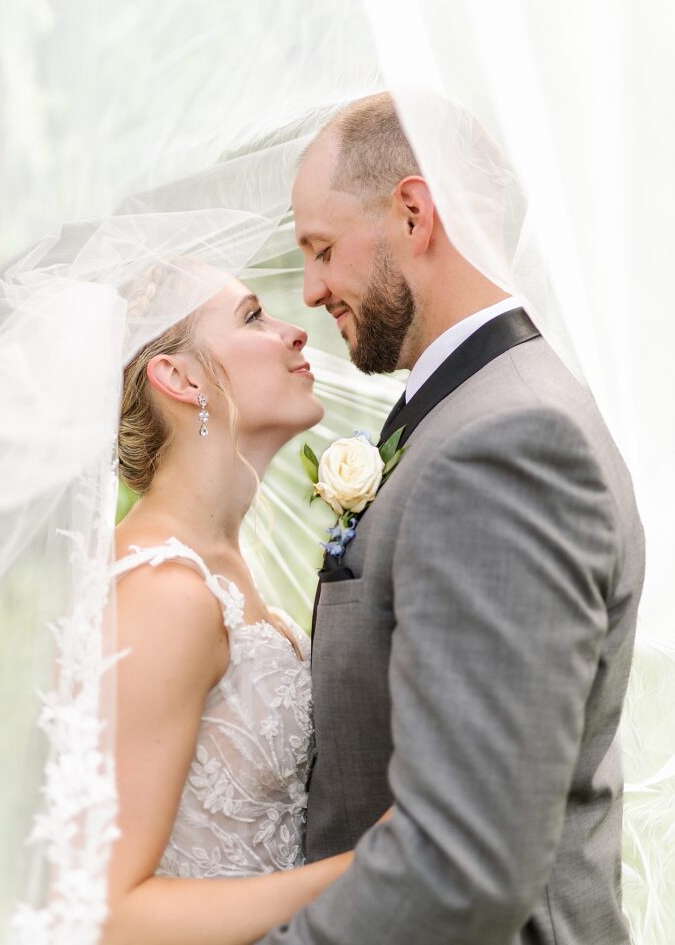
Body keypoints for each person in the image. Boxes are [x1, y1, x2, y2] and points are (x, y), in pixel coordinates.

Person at [257, 93, 646, 944]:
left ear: (411, 212)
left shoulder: (508, 442)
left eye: (322, 250)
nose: (312, 289)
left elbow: (463, 864)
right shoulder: (469, 411)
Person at [101, 276, 357, 945]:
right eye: (253, 318)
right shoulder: (164, 593)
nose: (295, 331)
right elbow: (112, 914)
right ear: (180, 378)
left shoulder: (224, 565)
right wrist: (369, 870)